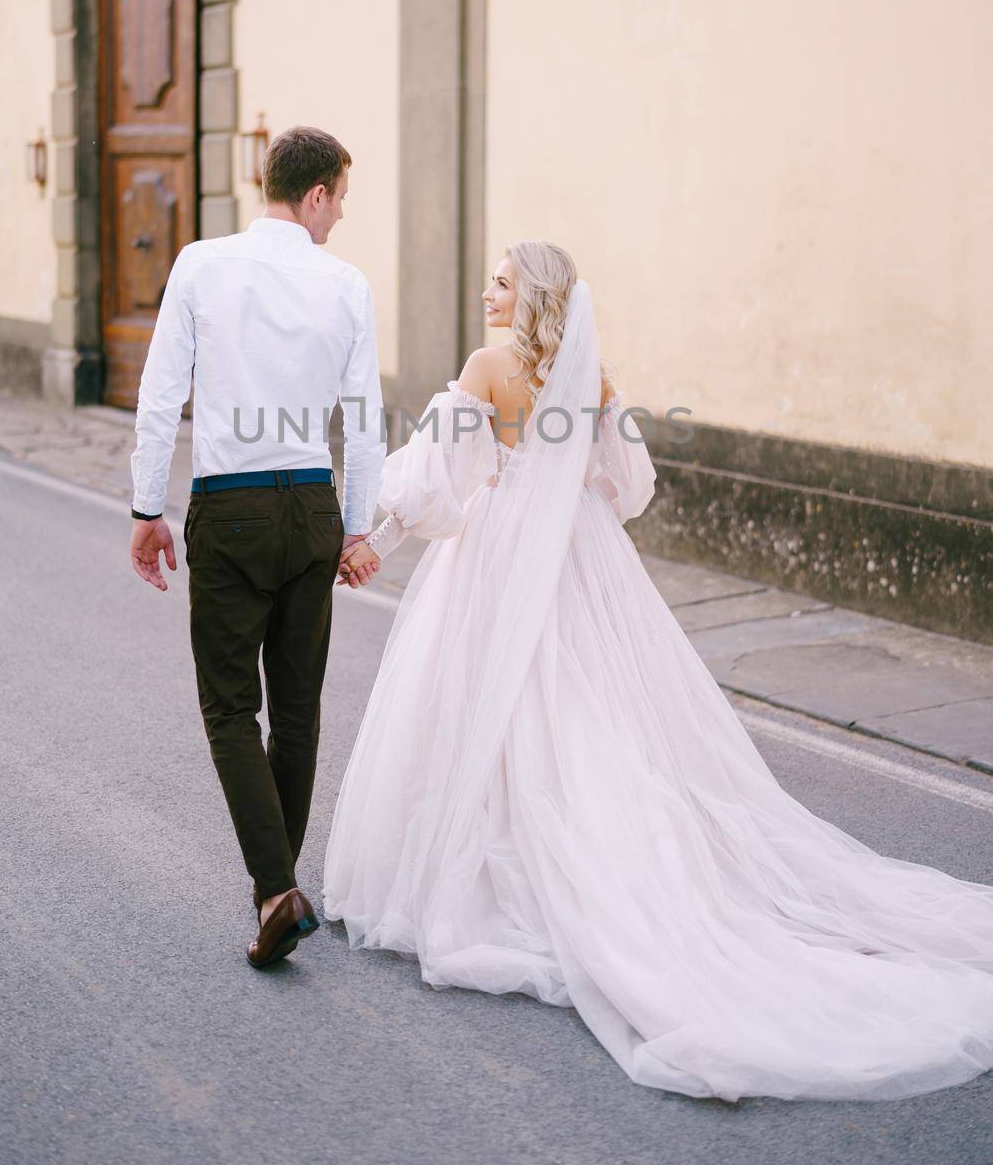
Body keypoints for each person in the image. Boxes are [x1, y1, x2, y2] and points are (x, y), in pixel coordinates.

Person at [325, 240, 993, 1102]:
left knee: (493, 704)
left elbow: (436, 482)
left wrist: (374, 545)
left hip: (501, 554)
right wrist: (560, 500)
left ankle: (505, 859)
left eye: (501, 280)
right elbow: (627, 486)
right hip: (577, 552)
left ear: (529, 295)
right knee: (584, 708)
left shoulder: (487, 367)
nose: (487, 291)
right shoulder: (592, 371)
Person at [129, 126, 386, 969]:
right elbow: (366, 424)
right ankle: (275, 891)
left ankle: (277, 892)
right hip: (312, 503)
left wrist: (145, 508)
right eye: (340, 199)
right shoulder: (345, 284)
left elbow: (162, 393)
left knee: (231, 709)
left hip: (229, 506)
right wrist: (355, 527)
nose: (340, 215)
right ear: (313, 195)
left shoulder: (202, 264)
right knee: (300, 710)